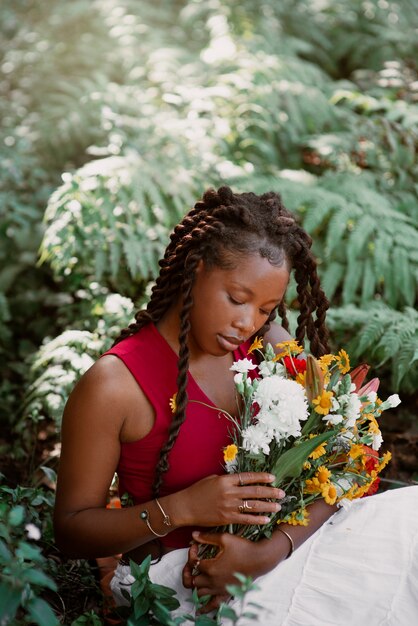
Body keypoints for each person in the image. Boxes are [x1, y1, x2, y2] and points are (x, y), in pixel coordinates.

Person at [54, 186, 418, 625]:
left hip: (290, 546)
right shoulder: (115, 386)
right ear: (196, 269)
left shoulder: (268, 347)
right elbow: (72, 531)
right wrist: (183, 508)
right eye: (237, 298)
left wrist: (267, 551)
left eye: (266, 309)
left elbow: (351, 457)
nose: (248, 322)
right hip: (193, 581)